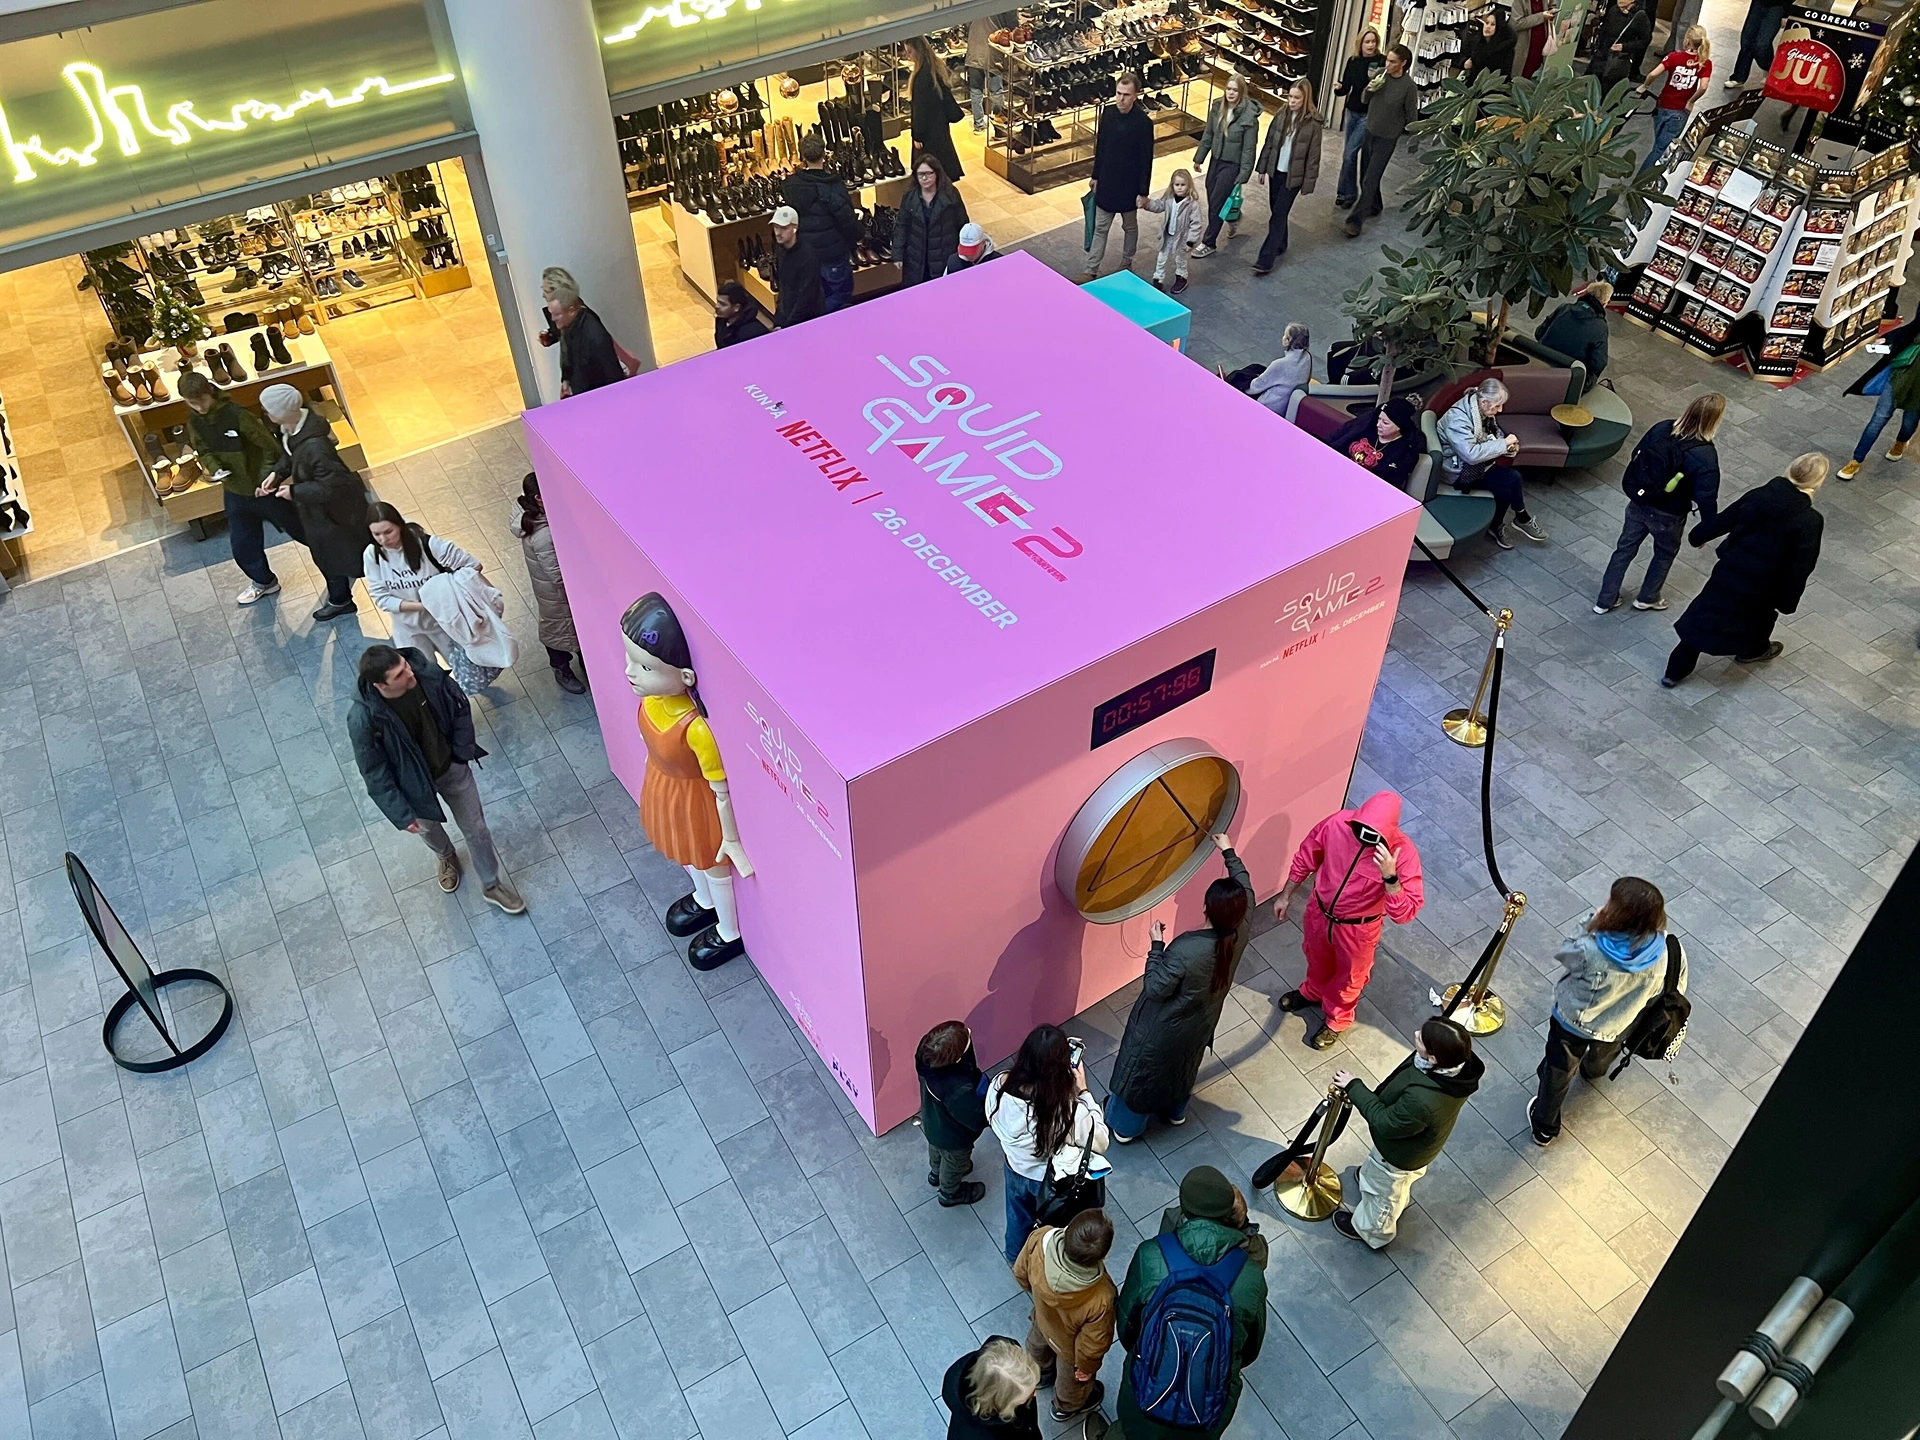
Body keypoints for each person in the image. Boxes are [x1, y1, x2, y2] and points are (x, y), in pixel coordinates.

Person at [349, 644, 526, 914]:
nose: (410, 673)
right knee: (428, 828)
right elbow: (373, 770)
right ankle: (446, 856)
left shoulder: (428, 675)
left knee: (477, 828)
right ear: (380, 685)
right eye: (399, 675)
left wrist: (460, 753)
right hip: (413, 787)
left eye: (405, 665)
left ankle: (492, 885)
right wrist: (400, 813)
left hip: (451, 768)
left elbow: (460, 709)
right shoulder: (364, 719)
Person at [1105, 834, 1251, 1142]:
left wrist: (1156, 947)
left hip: (1164, 1032)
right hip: (1201, 1025)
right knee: (1183, 1067)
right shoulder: (1241, 928)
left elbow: (1155, 988)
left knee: (1142, 1076)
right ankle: (1175, 1113)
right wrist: (1228, 851)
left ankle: (1126, 1127)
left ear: (1206, 909)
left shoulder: (1186, 949)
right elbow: (1245, 887)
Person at [1113, 1166, 1267, 1440]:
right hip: (1207, 1410)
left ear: (1184, 1208)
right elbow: (1250, 1348)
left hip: (1144, 1391)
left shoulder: (1152, 1254)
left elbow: (1126, 1326)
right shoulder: (1250, 1276)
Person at [1529, 877, 1683, 1145]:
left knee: (1558, 1071)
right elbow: (1675, 986)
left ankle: (1545, 1126)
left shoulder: (1589, 948)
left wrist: (1590, 921)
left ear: (1618, 915)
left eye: (1610, 903)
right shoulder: (1667, 950)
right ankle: (1593, 1071)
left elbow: (1566, 954)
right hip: (1620, 1025)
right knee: (1604, 1054)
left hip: (1573, 1022)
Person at [1272, 791, 1424, 1050]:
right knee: (1315, 957)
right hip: (1319, 913)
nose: (1366, 835)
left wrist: (1390, 877)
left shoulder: (1403, 854)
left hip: (1358, 929)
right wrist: (1285, 896)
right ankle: (1313, 992)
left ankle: (1338, 1018)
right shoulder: (1336, 824)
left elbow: (1405, 913)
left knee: (1350, 977)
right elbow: (1306, 856)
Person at [1662, 453, 1827, 686]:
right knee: (1760, 619)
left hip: (1731, 568)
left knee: (1705, 613)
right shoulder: (1810, 521)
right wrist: (1788, 602)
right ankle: (1752, 651)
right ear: (1817, 483)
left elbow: (1726, 518)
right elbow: (1801, 565)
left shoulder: (1759, 495)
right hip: (1765, 585)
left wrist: (1698, 535)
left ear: (1790, 469)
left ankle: (1674, 672)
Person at [1331, 1018, 1482, 1247]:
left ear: (1434, 1058)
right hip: (1410, 1145)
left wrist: (1354, 1086)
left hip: (1399, 1156)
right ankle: (1371, 1179)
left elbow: (1385, 1123)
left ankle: (1372, 1231)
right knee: (1384, 1179)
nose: (1416, 1033)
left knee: (1385, 1196)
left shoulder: (1422, 1101)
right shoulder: (1455, 1067)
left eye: (1422, 1038)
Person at [987, 1025, 1109, 1264]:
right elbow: (1100, 1140)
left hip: (1013, 1166)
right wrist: (1083, 1092)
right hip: (1047, 1179)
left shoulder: (999, 1085)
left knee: (1017, 1215)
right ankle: (1042, 1262)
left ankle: (1015, 1256)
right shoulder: (1066, 1111)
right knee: (1051, 1222)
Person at [1595, 392, 1724, 615]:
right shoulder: (1705, 455)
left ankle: (1605, 600)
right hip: (1669, 514)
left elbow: (1637, 454)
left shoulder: (1662, 428)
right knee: (1664, 553)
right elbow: (1706, 496)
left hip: (1640, 501)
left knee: (1624, 550)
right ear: (1714, 421)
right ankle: (1647, 597)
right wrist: (1706, 530)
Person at [178, 371, 297, 607]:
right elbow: (203, 449)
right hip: (235, 491)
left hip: (263, 489)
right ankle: (264, 581)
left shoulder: (238, 416)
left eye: (202, 401)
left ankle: (340, 561)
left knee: (302, 527)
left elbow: (270, 448)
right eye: (193, 403)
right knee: (242, 545)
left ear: (210, 393)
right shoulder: (195, 421)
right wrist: (215, 468)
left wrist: (265, 480)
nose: (200, 408)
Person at [257, 383, 363, 621]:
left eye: (268, 409)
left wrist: (294, 491)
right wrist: (277, 473)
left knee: (331, 555)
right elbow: (291, 456)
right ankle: (340, 596)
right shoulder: (292, 429)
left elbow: (331, 486)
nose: (265, 413)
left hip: (334, 512)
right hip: (320, 510)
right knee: (331, 553)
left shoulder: (316, 447)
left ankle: (341, 600)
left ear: (283, 412)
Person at [1011, 1209, 1117, 1425]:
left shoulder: (1040, 1237)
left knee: (1037, 1348)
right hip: (1070, 1348)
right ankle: (1065, 1407)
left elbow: (1020, 1272)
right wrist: (1086, 1367)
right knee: (1072, 1383)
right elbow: (1093, 1344)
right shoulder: (1102, 1296)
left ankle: (1039, 1375)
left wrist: (1041, 1298)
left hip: (1043, 1320)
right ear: (1104, 1256)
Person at [364, 501, 485, 680]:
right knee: (424, 675)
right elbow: (381, 598)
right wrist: (424, 606)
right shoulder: (372, 555)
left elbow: (473, 565)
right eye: (376, 534)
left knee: (467, 670)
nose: (383, 539)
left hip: (445, 623)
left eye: (388, 532)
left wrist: (450, 593)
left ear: (399, 526)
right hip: (407, 629)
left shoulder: (429, 544)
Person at [1437, 377, 1549, 548]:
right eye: (1497, 406)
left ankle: (1501, 524)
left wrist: (1508, 447)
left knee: (1506, 488)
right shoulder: (1457, 420)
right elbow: (1470, 455)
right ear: (1484, 402)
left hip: (1473, 465)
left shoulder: (1479, 409)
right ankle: (1519, 517)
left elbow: (1493, 433)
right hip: (1457, 471)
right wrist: (1503, 444)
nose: (1500, 410)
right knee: (1512, 479)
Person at [512, 473, 586, 695]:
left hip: (551, 591)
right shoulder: (543, 534)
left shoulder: (531, 515)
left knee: (568, 628)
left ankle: (585, 662)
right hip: (557, 594)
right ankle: (561, 669)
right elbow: (557, 575)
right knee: (558, 630)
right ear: (539, 498)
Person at [1083, 72, 1155, 281]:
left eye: (1126, 95)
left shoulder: (1143, 123)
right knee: (1100, 227)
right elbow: (1101, 146)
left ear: (1135, 96)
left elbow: (1146, 159)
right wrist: (1095, 175)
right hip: (1107, 181)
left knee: (1130, 226)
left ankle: (1127, 262)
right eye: (1118, 93)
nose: (1121, 99)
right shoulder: (1108, 113)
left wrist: (1143, 192)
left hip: (1129, 185)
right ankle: (1091, 269)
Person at [1344, 45, 1419, 238]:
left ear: (1403, 63)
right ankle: (1375, 205)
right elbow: (1364, 99)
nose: (1388, 64)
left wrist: (1414, 137)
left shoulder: (1408, 87)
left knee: (1370, 179)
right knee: (1365, 176)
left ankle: (1355, 221)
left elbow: (1411, 114)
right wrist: (1369, 89)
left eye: (1393, 61)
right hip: (1370, 131)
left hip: (1387, 138)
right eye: (1387, 60)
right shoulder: (1380, 75)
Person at [782, 135, 861, 312]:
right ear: (824, 154)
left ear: (802, 156)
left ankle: (817, 318)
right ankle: (823, 319)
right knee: (840, 293)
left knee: (813, 294)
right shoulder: (833, 187)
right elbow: (847, 220)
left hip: (805, 253)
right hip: (832, 252)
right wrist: (858, 235)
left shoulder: (790, 186)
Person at [1838, 313, 1920, 480]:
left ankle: (1900, 443)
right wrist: (1888, 338)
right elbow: (1913, 327)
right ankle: (1856, 459)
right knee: (1879, 418)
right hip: (1901, 374)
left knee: (1910, 422)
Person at [1252, 81, 1322, 276]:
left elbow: (1314, 156)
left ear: (1305, 98)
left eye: (1297, 98)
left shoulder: (1313, 124)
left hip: (1293, 177)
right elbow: (1269, 143)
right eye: (1290, 96)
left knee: (1278, 215)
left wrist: (1308, 183)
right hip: (1276, 171)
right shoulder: (1281, 114)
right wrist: (1262, 168)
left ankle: (1265, 259)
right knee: (1276, 210)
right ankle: (1281, 243)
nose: (1292, 101)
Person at [917, 1020, 989, 1207]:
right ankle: (949, 1193)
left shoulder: (926, 1058)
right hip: (954, 1138)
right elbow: (975, 1118)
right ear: (957, 1059)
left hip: (933, 1123)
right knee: (955, 1161)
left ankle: (935, 1174)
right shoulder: (957, 1088)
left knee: (935, 1149)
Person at [1190, 75, 1261, 257]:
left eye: (1235, 90)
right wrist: (1199, 157)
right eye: (1228, 89)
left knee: (1216, 202)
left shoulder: (1249, 118)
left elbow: (1249, 148)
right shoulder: (1217, 108)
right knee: (1211, 192)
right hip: (1216, 160)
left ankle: (1209, 242)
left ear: (1241, 92)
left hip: (1232, 164)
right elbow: (1208, 134)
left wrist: (1244, 174)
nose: (1231, 93)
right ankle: (1233, 216)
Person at [539, 267, 626, 397]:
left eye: (546, 291)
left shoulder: (594, 335)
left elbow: (611, 378)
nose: (543, 295)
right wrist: (566, 379)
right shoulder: (566, 316)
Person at [1638, 28, 1712, 173]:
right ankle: (1645, 178)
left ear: (1687, 41)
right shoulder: (1704, 62)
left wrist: (1645, 86)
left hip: (1663, 105)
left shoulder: (1673, 57)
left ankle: (1645, 175)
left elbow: (1653, 74)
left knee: (1658, 143)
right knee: (1662, 147)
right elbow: (1703, 87)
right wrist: (1691, 101)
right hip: (1680, 111)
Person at [942, 1337, 1045, 1440]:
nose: (1035, 1394)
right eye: (1029, 1395)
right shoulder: (978, 1436)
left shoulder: (1002, 1350)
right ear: (1002, 1401)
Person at [894, 154, 970, 286]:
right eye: (920, 174)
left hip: (944, 255)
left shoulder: (950, 194)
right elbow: (901, 226)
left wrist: (964, 252)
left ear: (937, 173)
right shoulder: (909, 196)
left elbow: (962, 223)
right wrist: (897, 254)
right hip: (917, 259)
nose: (924, 178)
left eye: (928, 173)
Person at [1331, 29, 1386, 209]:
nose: (1370, 45)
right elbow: (1346, 87)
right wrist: (1338, 88)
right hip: (1352, 111)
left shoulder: (1381, 62)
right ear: (1360, 43)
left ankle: (1349, 194)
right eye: (1367, 42)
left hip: (1368, 114)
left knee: (1350, 154)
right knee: (1348, 154)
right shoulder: (1353, 61)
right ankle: (1344, 192)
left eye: (1373, 41)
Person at [1324, 396, 1424, 492]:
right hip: (1335, 471)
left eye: (1385, 423)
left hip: (1360, 489)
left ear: (1399, 427)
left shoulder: (1404, 452)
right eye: (1379, 419)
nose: (1378, 425)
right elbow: (1336, 437)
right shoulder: (1366, 427)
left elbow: (1387, 486)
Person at [909, 35, 966, 183]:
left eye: (910, 52)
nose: (908, 56)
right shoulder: (936, 69)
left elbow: (920, 109)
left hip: (928, 131)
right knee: (942, 167)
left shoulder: (921, 77)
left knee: (929, 171)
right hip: (940, 126)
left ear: (918, 51)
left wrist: (917, 134)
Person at [1536, 281, 1613, 390]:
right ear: (1605, 303)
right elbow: (1598, 363)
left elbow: (1539, 332)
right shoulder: (1600, 327)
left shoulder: (1564, 308)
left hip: (1541, 360)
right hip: (1569, 376)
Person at [1144, 168, 1203, 294]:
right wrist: (1146, 204)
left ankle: (1182, 277)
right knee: (1161, 257)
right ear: (1172, 185)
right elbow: (1158, 205)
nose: (1180, 188)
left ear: (1189, 185)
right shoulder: (1169, 199)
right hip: (1167, 235)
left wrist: (1190, 241)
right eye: (1177, 185)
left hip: (1182, 238)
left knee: (1180, 259)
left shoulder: (1192, 205)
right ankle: (1158, 278)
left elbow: (1196, 224)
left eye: (1183, 185)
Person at [769, 206, 823, 328]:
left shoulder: (808, 255)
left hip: (808, 320)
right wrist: (779, 318)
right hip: (789, 314)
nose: (778, 233)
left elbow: (807, 295)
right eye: (776, 227)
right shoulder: (781, 248)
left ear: (795, 228)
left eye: (784, 228)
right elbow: (783, 287)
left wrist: (788, 325)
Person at [1248, 323, 1313, 418]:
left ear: (1287, 341)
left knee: (1239, 377)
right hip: (1290, 404)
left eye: (1285, 335)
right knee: (1255, 368)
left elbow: (1255, 387)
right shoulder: (1307, 357)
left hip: (1269, 406)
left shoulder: (1279, 364)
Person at [1587, 0, 1651, 88]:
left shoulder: (1640, 16)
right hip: (1600, 57)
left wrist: (1624, 47)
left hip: (1617, 61)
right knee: (1589, 86)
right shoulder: (1614, 10)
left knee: (1608, 89)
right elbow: (1604, 30)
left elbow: (1645, 40)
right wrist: (1597, 47)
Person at [1728, 0, 1790, 87]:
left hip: (1778, 7)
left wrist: (1786, 14)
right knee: (1747, 40)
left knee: (1762, 43)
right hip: (1758, 3)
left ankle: (1768, 68)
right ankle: (1739, 77)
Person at [966, 16, 1009, 131]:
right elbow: (1010, 25)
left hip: (974, 52)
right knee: (996, 90)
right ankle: (998, 120)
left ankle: (979, 124)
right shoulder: (998, 9)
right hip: (992, 54)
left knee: (976, 90)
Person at [1460, 9, 1517, 79]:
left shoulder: (1505, 49)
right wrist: (1464, 62)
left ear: (1499, 27)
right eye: (1487, 23)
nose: (1488, 27)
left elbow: (1503, 75)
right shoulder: (1476, 40)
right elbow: (1463, 55)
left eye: (1492, 24)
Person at [713, 280, 770, 349]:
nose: (717, 306)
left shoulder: (753, 332)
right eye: (718, 302)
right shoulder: (721, 319)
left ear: (736, 308)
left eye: (723, 304)